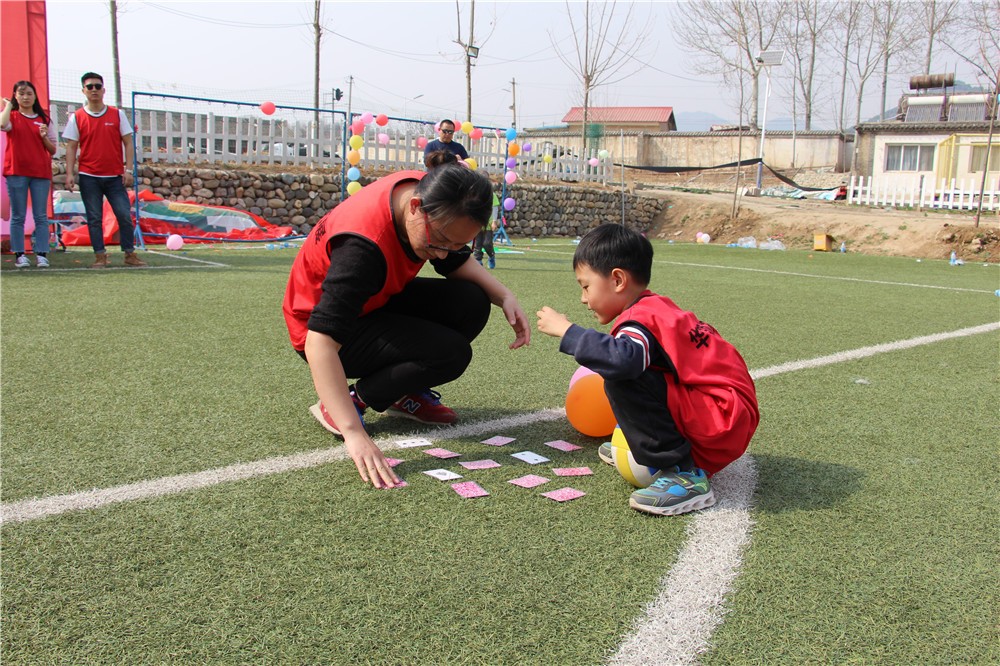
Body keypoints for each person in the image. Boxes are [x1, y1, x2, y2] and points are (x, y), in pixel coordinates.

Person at [283, 150, 530, 489]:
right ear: (415, 208)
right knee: (450, 353)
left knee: (472, 300)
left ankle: (400, 392)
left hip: (375, 300)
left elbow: (453, 261)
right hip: (318, 331)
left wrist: (503, 296)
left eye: (458, 244)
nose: (443, 253)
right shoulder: (361, 250)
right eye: (440, 241)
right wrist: (354, 434)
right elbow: (319, 341)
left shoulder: (432, 193)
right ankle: (346, 403)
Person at [537, 224, 759, 516]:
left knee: (622, 374)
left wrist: (568, 332)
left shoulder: (638, 319)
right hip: (727, 413)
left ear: (617, 279)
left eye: (586, 285)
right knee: (626, 365)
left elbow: (623, 362)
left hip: (720, 419)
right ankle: (640, 444)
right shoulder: (657, 307)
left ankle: (683, 474)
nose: (583, 298)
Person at [62, 72, 146, 268]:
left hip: (115, 177)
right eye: (89, 87)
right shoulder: (77, 117)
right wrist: (69, 174)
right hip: (88, 176)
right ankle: (100, 256)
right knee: (94, 218)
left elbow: (128, 142)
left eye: (97, 86)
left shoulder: (117, 114)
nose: (94, 90)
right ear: (83, 90)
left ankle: (129, 254)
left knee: (124, 215)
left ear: (104, 90)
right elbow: (71, 146)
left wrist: (128, 170)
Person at [1, 80, 57, 268]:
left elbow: (52, 149)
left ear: (35, 96)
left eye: (29, 94)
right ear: (16, 96)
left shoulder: (44, 120)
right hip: (16, 171)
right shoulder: (13, 117)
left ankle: (41, 254)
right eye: (21, 94)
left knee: (40, 215)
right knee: (18, 215)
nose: (25, 97)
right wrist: (8, 106)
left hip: (39, 173)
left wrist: (43, 137)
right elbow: (2, 124)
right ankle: (20, 255)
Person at [472, 192, 499, 269]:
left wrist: (494, 221)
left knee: (487, 243)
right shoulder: (475, 194)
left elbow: (495, 208)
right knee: (478, 244)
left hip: (488, 223)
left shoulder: (492, 195)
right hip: (478, 222)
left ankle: (491, 256)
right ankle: (478, 261)